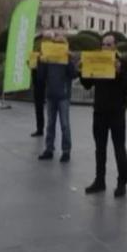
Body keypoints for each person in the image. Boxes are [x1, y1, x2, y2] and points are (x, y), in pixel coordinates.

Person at [80, 33, 127, 197]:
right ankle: (99, 180)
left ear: (115, 46)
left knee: (119, 148)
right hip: (99, 111)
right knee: (100, 148)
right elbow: (87, 85)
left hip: (117, 111)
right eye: (103, 44)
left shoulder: (123, 63)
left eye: (109, 44)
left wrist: (118, 72)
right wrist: (82, 71)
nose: (105, 47)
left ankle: (122, 181)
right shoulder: (97, 61)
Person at [37, 34, 78, 163]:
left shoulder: (66, 59)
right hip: (50, 94)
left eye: (61, 44)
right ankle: (49, 149)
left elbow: (73, 75)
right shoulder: (48, 59)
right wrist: (40, 61)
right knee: (50, 124)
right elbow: (41, 77)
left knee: (65, 124)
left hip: (63, 96)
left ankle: (66, 151)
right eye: (56, 43)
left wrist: (71, 61)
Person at [30, 35, 46, 137]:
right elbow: (35, 72)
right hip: (39, 85)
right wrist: (32, 66)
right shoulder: (36, 56)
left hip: (50, 85)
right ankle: (40, 128)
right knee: (39, 107)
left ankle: (45, 129)